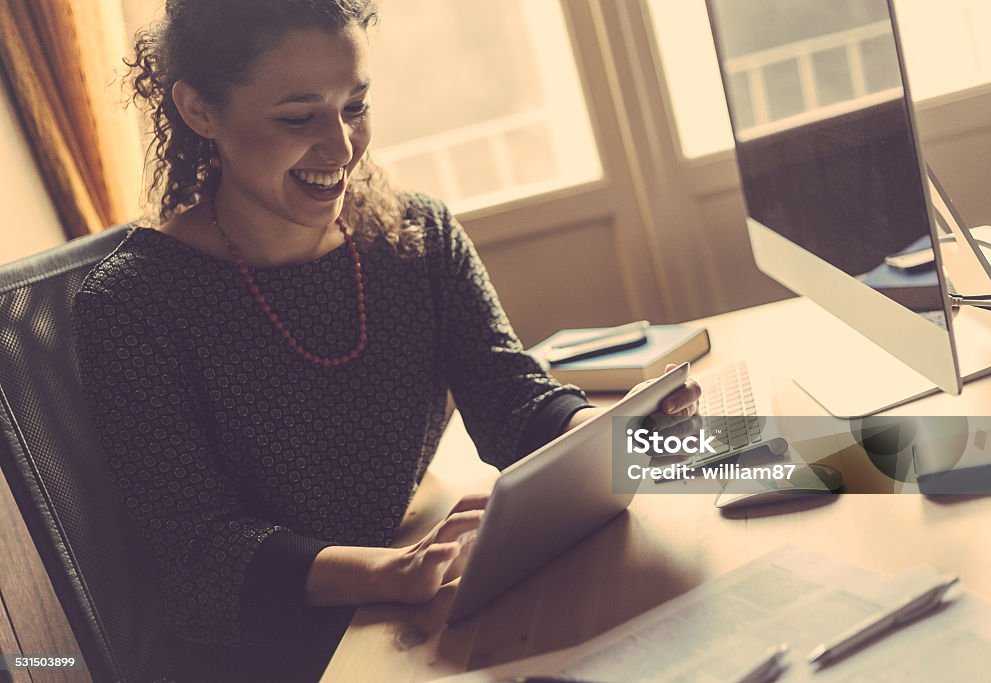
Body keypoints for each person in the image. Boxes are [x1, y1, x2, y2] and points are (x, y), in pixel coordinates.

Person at [71, 1, 701, 680]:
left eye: (355, 106)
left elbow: (510, 398)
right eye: (298, 116)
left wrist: (614, 433)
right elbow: (203, 557)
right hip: (279, 653)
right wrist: (385, 572)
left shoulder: (418, 237)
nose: (341, 148)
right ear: (200, 111)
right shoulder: (131, 304)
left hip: (409, 604)